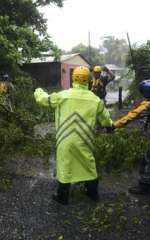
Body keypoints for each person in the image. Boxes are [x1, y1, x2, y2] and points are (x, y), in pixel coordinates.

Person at [34, 66, 113, 205]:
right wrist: (110, 126)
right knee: (88, 164)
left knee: (65, 165)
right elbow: (106, 119)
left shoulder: (62, 95)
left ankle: (62, 197)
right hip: (85, 140)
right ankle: (92, 194)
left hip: (65, 140)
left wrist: (38, 90)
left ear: (73, 79)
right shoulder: (95, 100)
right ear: (88, 80)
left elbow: (43, 100)